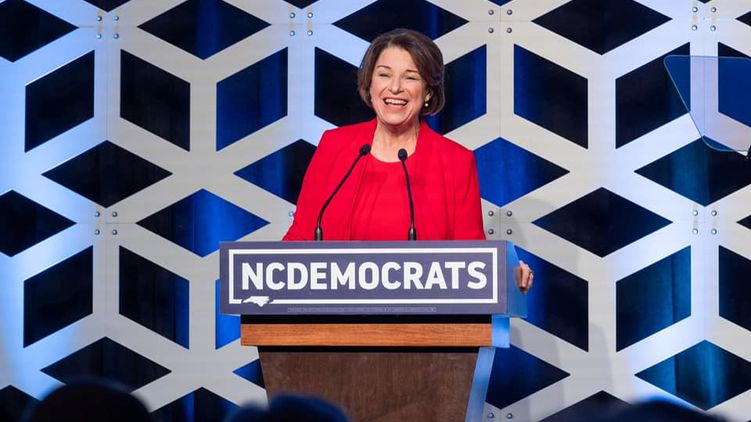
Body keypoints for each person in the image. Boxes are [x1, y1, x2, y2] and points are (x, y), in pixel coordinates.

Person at [284, 28, 532, 292]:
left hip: (426, 314)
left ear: (428, 92)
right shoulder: (335, 146)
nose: (395, 87)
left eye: (410, 77)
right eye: (384, 74)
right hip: (333, 310)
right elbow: (301, 236)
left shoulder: (455, 161)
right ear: (370, 84)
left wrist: (506, 275)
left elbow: (472, 256)